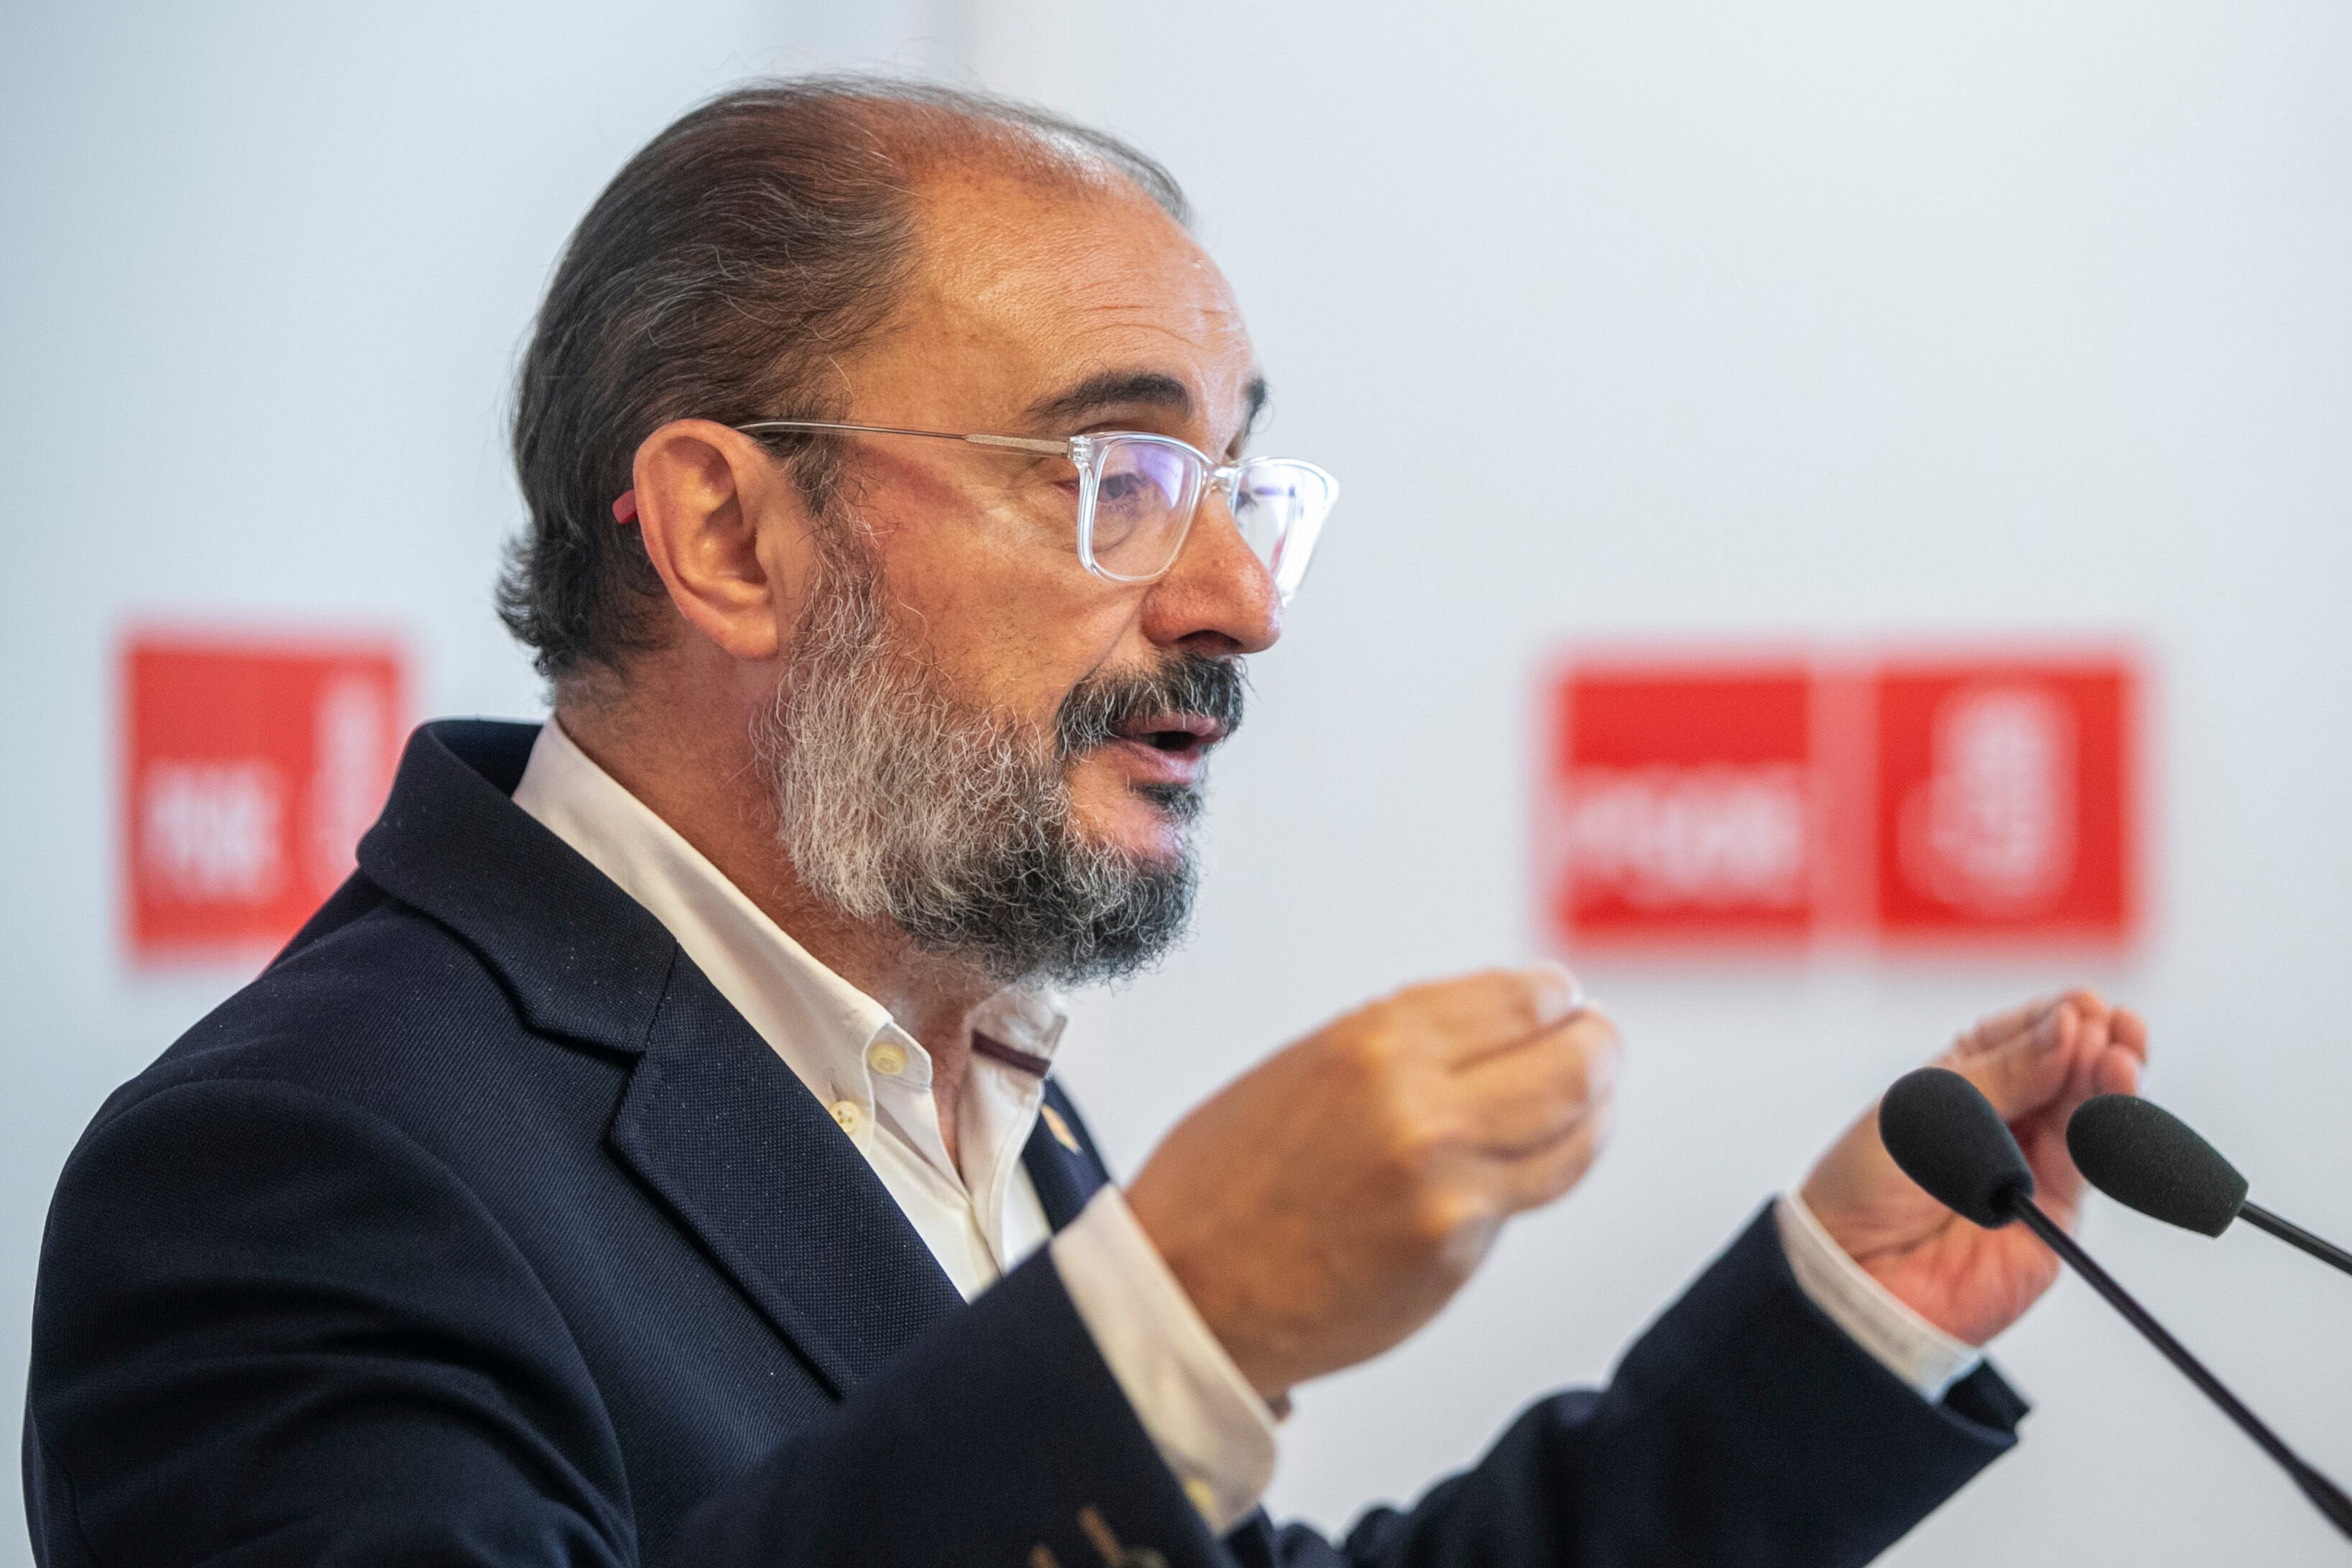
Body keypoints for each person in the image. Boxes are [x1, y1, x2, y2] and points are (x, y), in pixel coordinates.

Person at [24, 78, 2148, 1568]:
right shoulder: (298, 1174)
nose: (1236, 599)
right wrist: (1178, 1323)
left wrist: (1833, 1322)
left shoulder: (947, 1068)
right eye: (1116, 480)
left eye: (1240, 485)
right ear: (726, 534)